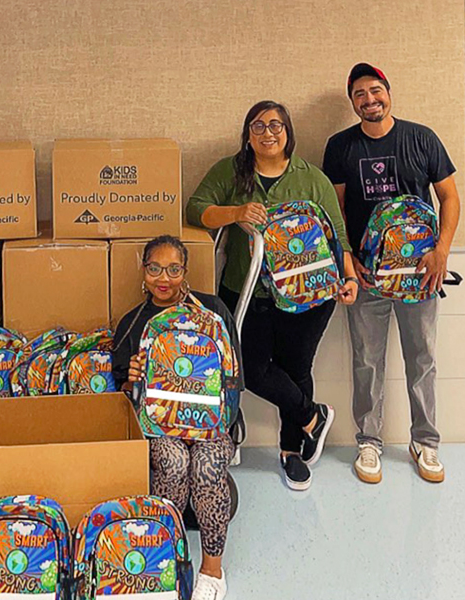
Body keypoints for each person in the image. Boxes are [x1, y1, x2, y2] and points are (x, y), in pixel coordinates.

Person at [186, 100, 359, 492]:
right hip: (246, 290)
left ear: (288, 132)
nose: (268, 133)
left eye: (276, 125)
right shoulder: (231, 172)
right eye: (259, 125)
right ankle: (311, 416)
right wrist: (236, 213)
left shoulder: (310, 178)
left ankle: (291, 451)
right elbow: (196, 209)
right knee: (244, 367)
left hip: (309, 294)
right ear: (247, 134)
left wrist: (349, 277)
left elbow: (338, 235)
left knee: (296, 368)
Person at [323, 63, 460, 484]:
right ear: (353, 102)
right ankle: (369, 441)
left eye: (375, 90)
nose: (369, 100)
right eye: (360, 94)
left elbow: (450, 197)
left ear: (388, 92)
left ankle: (426, 441)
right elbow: (337, 211)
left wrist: (441, 252)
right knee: (367, 360)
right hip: (367, 276)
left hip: (421, 272)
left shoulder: (422, 138)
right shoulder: (341, 146)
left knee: (423, 358)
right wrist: (350, 262)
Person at [113, 235, 237, 600]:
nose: (163, 278)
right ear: (143, 271)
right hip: (159, 425)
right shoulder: (132, 324)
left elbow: (233, 381)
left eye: (173, 269)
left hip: (211, 424)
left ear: (185, 272)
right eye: (154, 268)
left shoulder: (212, 312)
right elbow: (120, 392)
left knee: (207, 465)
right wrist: (133, 380)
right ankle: (166, 552)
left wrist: (219, 426)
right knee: (172, 459)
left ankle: (212, 570)